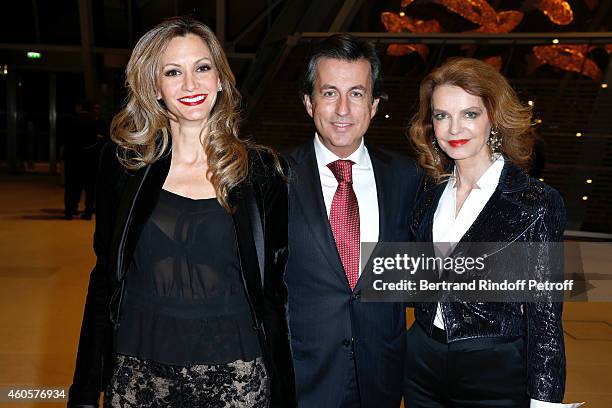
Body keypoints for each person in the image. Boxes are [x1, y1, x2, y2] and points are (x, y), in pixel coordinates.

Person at [67, 17, 296, 408]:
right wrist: (85, 390)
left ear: (221, 79)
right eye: (173, 72)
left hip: (235, 376)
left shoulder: (260, 171)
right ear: (154, 87)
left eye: (202, 68)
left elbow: (273, 291)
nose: (191, 85)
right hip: (138, 372)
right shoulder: (124, 167)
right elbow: (104, 279)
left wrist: (283, 392)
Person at [406, 57, 569, 407]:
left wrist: (545, 400)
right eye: (441, 115)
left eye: (469, 114)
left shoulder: (536, 202)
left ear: (492, 117)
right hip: (421, 363)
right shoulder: (428, 196)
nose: (454, 129)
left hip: (494, 371)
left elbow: (545, 317)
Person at [285, 34, 422, 407]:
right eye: (329, 93)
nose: (343, 108)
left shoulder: (406, 177)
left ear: (374, 105)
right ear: (309, 103)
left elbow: (422, 271)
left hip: (381, 377)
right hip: (302, 379)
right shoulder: (274, 177)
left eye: (357, 94)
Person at [62, 100, 99, 220]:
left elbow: (65, 139)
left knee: (72, 186)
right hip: (89, 159)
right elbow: (95, 140)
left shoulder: (71, 120)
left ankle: (70, 210)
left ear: (79, 107)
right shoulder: (93, 121)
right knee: (89, 188)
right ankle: (88, 211)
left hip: (73, 158)